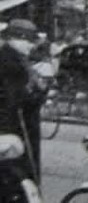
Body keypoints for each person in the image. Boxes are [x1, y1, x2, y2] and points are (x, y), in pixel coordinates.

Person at [0, 19, 48, 183]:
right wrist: (40, 93)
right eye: (28, 41)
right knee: (21, 178)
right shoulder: (11, 63)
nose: (31, 46)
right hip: (17, 129)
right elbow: (17, 99)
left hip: (17, 128)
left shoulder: (16, 59)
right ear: (15, 39)